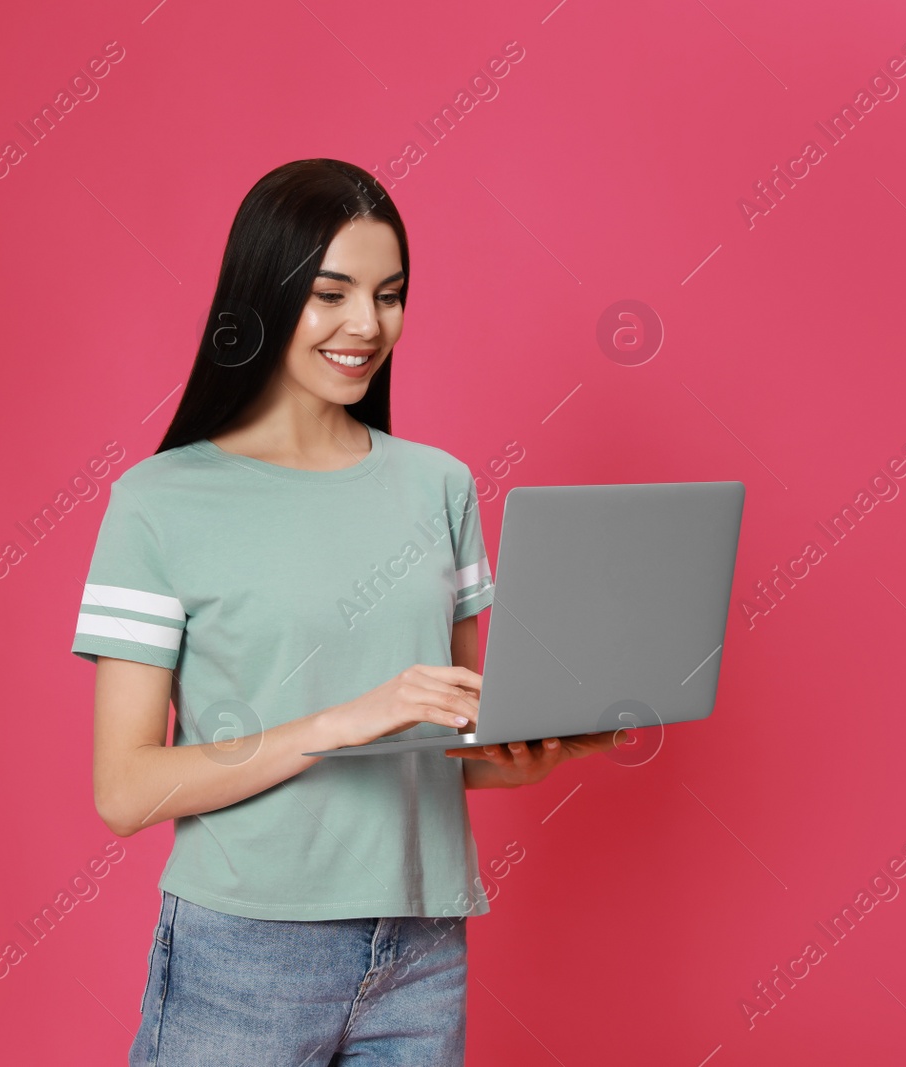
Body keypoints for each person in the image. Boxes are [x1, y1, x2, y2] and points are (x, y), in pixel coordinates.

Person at [70, 158, 619, 1066]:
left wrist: (530, 754)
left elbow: (444, 745)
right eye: (331, 294)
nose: (367, 324)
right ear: (262, 296)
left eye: (389, 295)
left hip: (422, 947)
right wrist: (338, 721)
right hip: (244, 953)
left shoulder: (440, 486)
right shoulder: (158, 502)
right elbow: (125, 791)